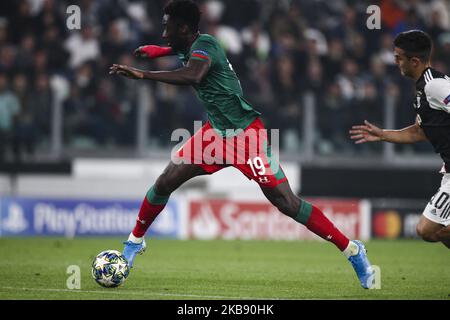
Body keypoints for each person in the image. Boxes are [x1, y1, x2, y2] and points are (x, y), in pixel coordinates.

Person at [110, 0, 374, 289]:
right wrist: (159, 51)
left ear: (183, 27)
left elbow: (193, 74)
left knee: (286, 203)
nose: (163, 33)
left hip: (248, 137)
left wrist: (144, 74)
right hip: (214, 134)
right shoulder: (191, 44)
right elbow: (181, 50)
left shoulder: (206, 45)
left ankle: (351, 250)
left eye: (166, 27)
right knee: (165, 181)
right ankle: (135, 242)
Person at [350, 30, 450, 249]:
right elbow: (419, 132)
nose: (395, 62)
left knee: (427, 229)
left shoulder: (435, 85)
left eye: (398, 58)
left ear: (414, 61)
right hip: (447, 169)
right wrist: (383, 134)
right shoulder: (422, 89)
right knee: (439, 233)